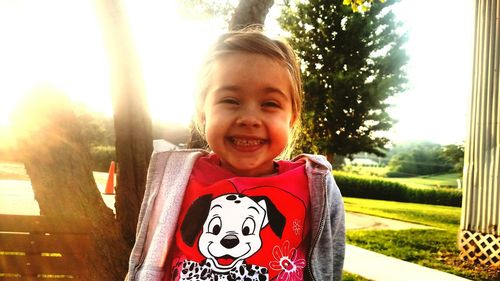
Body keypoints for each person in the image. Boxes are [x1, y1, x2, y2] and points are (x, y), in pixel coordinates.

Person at [125, 27, 345, 281]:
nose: (249, 118)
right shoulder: (176, 179)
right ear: (203, 111)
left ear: (292, 118)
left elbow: (329, 267)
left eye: (270, 104)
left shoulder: (315, 185)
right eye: (230, 100)